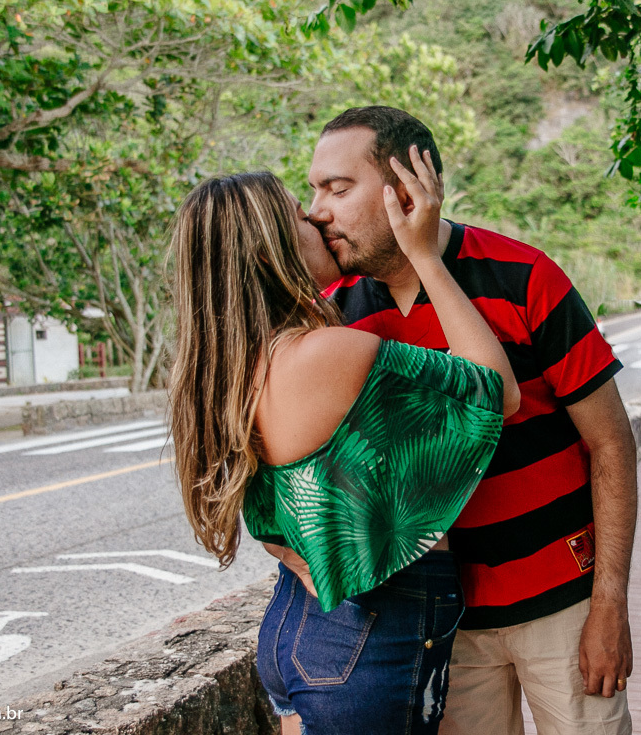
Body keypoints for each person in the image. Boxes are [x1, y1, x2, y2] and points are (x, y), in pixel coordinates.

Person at [297, 105, 639, 735]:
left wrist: (610, 603)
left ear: (406, 191)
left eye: (338, 189)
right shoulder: (335, 317)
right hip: (442, 624)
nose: (317, 209)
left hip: (563, 603)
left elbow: (611, 443)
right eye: (314, 189)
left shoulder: (525, 276)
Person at [165, 163, 521, 735]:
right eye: (299, 216)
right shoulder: (327, 354)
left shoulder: (228, 372)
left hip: (298, 632)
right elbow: (497, 391)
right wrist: (427, 257)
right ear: (269, 251)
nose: (318, 218)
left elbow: (273, 517)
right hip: (365, 642)